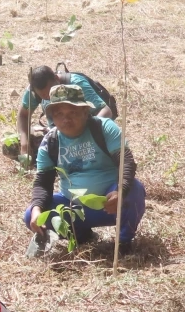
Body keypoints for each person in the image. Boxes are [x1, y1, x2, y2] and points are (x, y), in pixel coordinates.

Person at [25, 84, 145, 254]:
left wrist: (120, 191)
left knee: (135, 190)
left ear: (85, 112)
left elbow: (126, 162)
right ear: (52, 117)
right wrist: (37, 208)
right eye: (59, 114)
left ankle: (123, 243)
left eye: (72, 113)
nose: (66, 120)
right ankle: (81, 235)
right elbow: (43, 182)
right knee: (31, 214)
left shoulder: (104, 128)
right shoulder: (50, 142)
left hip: (110, 203)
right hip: (73, 207)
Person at [7, 63, 117, 167]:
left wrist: (86, 134)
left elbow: (106, 111)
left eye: (51, 93)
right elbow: (23, 115)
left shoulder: (76, 83)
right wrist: (25, 146)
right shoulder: (33, 91)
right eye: (45, 97)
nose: (49, 98)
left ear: (57, 79)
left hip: (84, 134)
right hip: (58, 135)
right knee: (10, 147)